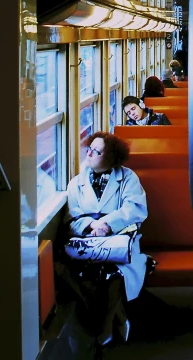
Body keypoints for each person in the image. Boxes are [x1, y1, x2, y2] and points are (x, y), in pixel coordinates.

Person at [64, 132, 149, 347]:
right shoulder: (76, 183)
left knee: (114, 277)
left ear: (111, 157)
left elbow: (135, 209)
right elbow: (72, 217)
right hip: (89, 243)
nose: (89, 154)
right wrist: (91, 225)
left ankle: (103, 330)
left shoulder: (128, 178)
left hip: (120, 241)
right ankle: (115, 319)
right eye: (89, 149)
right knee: (86, 279)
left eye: (97, 151)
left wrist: (108, 224)